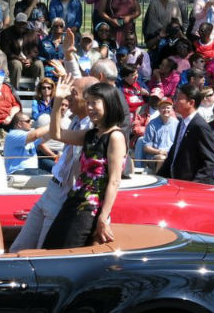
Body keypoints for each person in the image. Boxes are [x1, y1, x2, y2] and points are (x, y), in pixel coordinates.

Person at [7, 75, 98, 251]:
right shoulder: (75, 121)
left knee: (43, 253)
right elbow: (52, 133)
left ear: (89, 99)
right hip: (51, 189)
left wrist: (57, 102)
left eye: (73, 93)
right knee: (17, 249)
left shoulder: (92, 129)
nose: (68, 97)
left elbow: (55, 133)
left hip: (64, 195)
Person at [40, 78, 127, 249]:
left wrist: (103, 217)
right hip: (73, 200)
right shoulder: (90, 134)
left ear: (109, 103)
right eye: (88, 103)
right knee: (51, 247)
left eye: (95, 102)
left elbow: (114, 181)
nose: (89, 107)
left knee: (68, 252)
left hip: (90, 208)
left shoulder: (115, 136)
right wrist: (57, 102)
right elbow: (56, 134)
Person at [156, 83, 214, 185]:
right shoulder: (181, 123)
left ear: (191, 102)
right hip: (176, 184)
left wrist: (195, 183)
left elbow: (211, 161)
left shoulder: (199, 126)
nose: (175, 102)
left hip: (191, 188)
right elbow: (174, 154)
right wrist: (159, 178)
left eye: (179, 99)